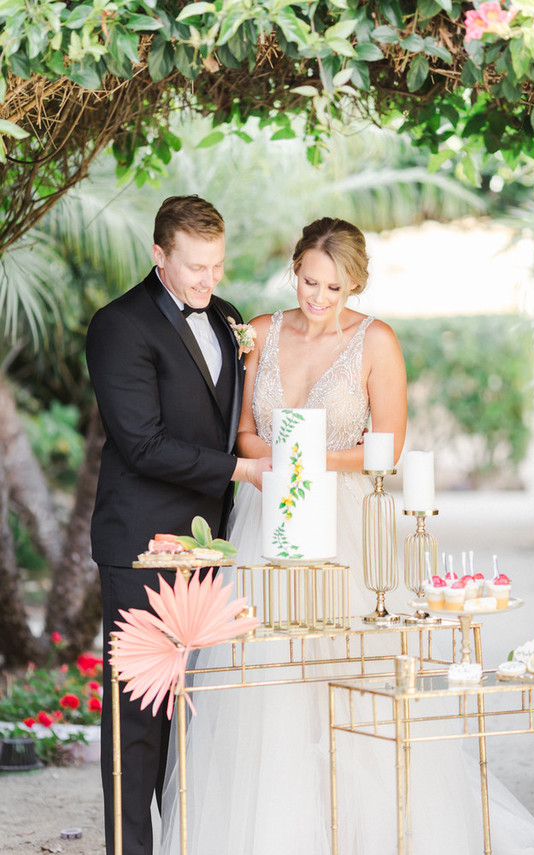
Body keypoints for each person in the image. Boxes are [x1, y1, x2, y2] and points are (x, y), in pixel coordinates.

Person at [160, 215, 534, 855]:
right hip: (266, 522)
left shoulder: (376, 342)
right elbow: (242, 434)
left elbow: (389, 447)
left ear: (354, 287)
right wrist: (280, 467)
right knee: (265, 679)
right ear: (295, 268)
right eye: (308, 281)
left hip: (347, 527)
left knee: (350, 675)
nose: (317, 299)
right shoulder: (260, 333)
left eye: (333, 288)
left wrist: (307, 462)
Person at [86, 194, 270, 855]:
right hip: (142, 545)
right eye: (194, 266)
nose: (209, 280)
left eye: (217, 264)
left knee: (198, 713)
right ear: (159, 255)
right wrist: (239, 472)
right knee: (139, 717)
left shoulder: (226, 317)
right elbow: (142, 442)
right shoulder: (118, 326)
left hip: (215, 545)